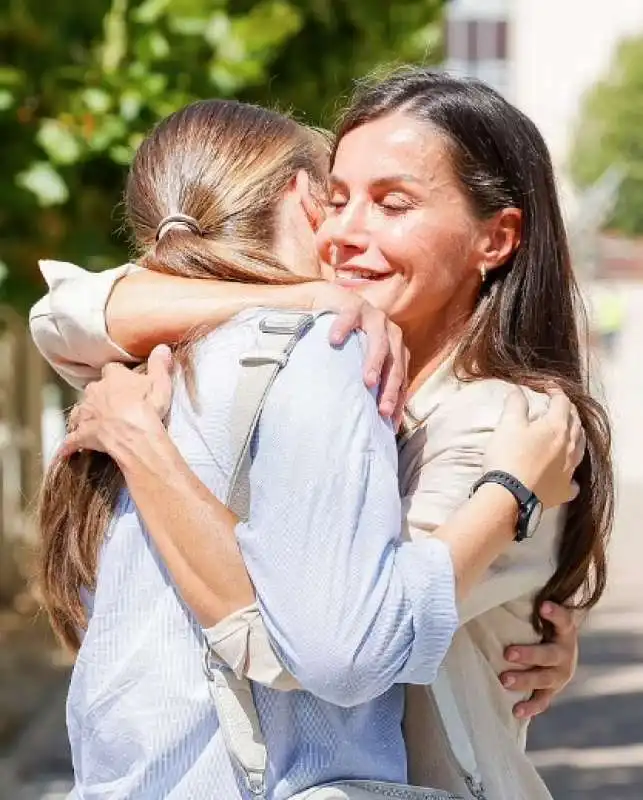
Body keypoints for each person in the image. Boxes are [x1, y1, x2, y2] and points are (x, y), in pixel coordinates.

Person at [30, 70, 610, 799]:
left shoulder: (503, 424)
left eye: (392, 204)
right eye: (334, 200)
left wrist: (509, 494)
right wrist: (306, 295)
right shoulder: (318, 359)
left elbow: (320, 643)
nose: (343, 233)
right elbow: (64, 313)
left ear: (494, 239)